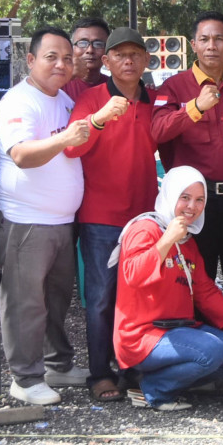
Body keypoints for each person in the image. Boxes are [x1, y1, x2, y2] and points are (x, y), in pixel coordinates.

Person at [0, 27, 91, 405]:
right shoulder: (19, 102)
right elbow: (22, 154)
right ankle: (25, 377)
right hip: (27, 221)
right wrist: (65, 138)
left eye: (67, 58)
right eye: (51, 57)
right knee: (25, 303)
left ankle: (57, 365)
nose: (61, 64)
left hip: (62, 222)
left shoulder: (64, 101)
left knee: (55, 301)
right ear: (31, 60)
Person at [114, 167, 223, 411]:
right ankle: (156, 389)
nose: (192, 207)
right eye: (184, 197)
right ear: (170, 195)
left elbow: (204, 289)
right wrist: (166, 240)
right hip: (144, 334)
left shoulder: (188, 239)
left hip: (179, 329)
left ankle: (167, 382)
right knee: (212, 351)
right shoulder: (145, 228)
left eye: (199, 200)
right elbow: (132, 275)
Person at [65, 27, 158, 402]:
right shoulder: (92, 98)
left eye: (136, 54)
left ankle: (133, 368)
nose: (129, 61)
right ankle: (100, 373)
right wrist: (100, 118)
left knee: (139, 297)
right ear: (107, 62)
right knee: (101, 299)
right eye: (120, 55)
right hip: (100, 215)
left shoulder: (156, 100)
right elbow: (72, 149)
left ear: (147, 60)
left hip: (143, 214)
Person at [152, 11, 223, 315]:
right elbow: (158, 131)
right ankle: (202, 346)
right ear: (193, 45)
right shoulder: (175, 86)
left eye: (218, 39)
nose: (212, 45)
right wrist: (195, 107)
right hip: (195, 204)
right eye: (204, 39)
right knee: (195, 278)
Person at [62, 17, 110, 101]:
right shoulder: (58, 85)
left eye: (98, 44)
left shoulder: (114, 86)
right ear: (72, 48)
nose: (90, 50)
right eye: (82, 43)